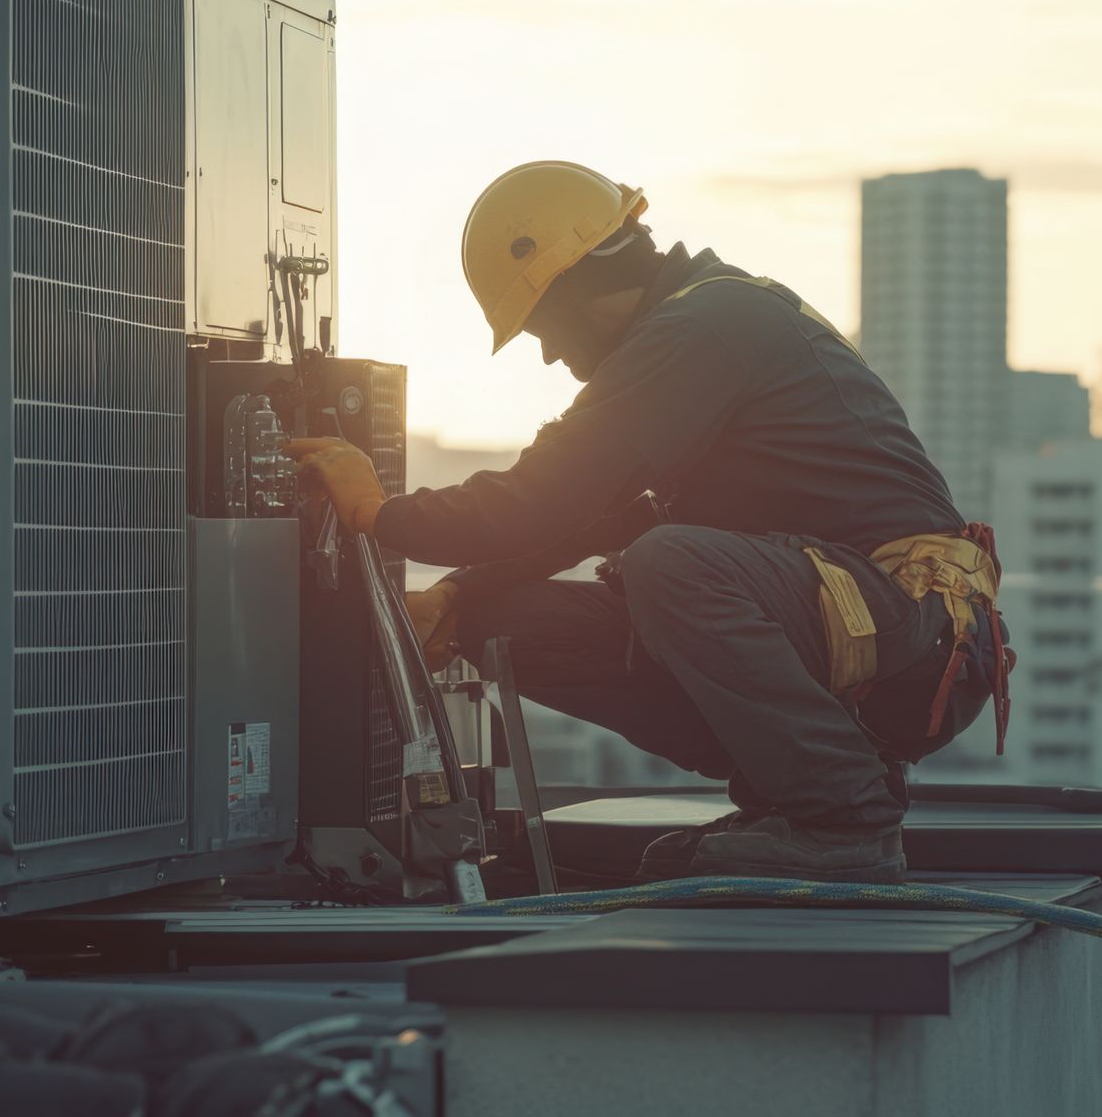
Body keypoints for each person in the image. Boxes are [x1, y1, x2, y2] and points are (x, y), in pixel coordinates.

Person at [288, 161, 1010, 883]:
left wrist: (380, 513)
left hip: (915, 636)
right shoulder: (696, 327)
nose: (551, 353)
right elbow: (602, 515)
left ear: (578, 288)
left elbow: (548, 494)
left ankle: (843, 821)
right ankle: (783, 803)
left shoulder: (708, 323)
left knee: (672, 566)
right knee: (506, 622)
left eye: (544, 326)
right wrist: (462, 594)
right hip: (852, 624)